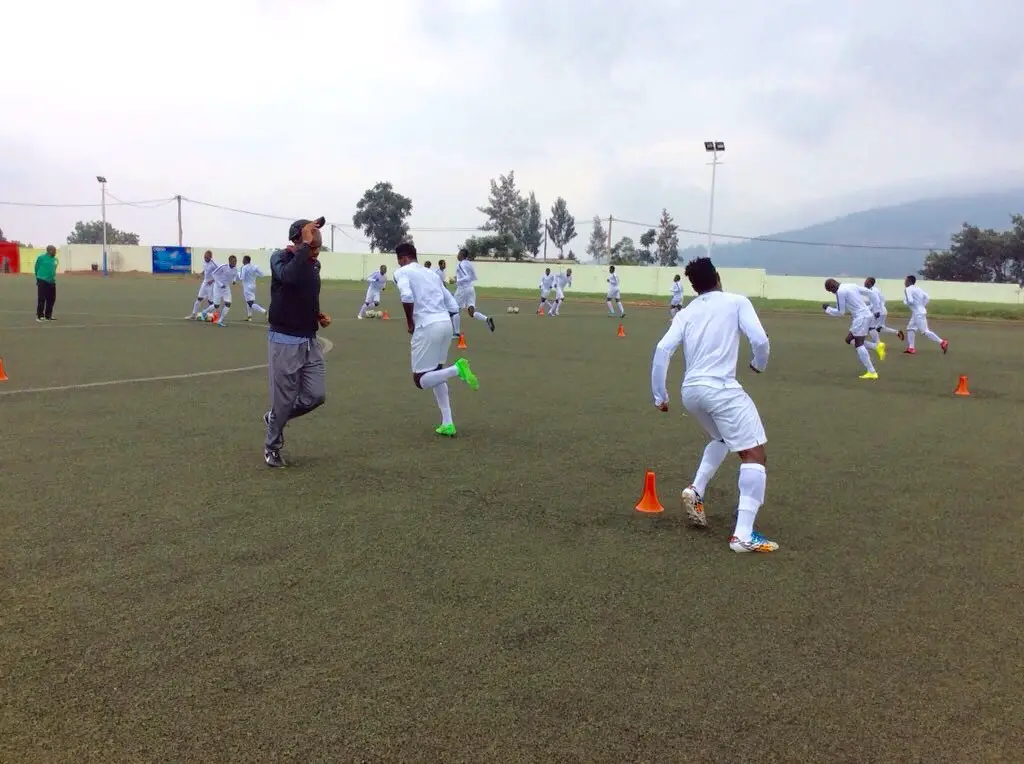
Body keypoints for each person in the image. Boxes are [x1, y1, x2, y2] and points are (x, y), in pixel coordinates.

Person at [650, 257, 777, 553]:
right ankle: (742, 536)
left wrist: (660, 396)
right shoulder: (736, 302)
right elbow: (760, 340)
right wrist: (758, 364)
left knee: (721, 438)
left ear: (694, 286)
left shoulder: (686, 313)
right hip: (721, 388)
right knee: (754, 454)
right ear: (718, 277)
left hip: (691, 392)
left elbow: (662, 349)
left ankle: (696, 489)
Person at [263, 217, 331, 468]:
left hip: (309, 340)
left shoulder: (313, 265)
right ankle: (272, 447)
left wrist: (316, 314)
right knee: (284, 399)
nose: (316, 252)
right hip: (285, 340)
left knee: (316, 395)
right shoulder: (279, 259)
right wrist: (305, 246)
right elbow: (289, 278)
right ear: (298, 240)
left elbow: (304, 293)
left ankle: (275, 417)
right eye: (312, 246)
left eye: (318, 248)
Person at [394, 241, 478, 437]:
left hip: (427, 326)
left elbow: (407, 296)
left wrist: (410, 323)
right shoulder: (432, 274)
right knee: (437, 372)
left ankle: (457, 369)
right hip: (445, 324)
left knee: (420, 380)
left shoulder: (402, 272)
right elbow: (452, 304)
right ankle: (448, 422)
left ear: (402, 259)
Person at [823, 278, 886, 378]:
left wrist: (828, 309)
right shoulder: (851, 285)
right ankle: (876, 346)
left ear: (832, 287)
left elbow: (841, 312)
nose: (832, 293)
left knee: (858, 344)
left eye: (831, 291)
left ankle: (872, 371)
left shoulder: (840, 292)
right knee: (849, 339)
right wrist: (877, 308)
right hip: (866, 315)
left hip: (861, 318)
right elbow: (871, 293)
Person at [453, 248, 494, 336]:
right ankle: (486, 319)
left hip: (462, 289)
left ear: (462, 255)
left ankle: (456, 333)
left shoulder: (460, 264)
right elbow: (473, 276)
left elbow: (467, 277)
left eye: (458, 254)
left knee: (454, 309)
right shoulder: (469, 264)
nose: (457, 255)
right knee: (471, 312)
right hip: (471, 288)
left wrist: (457, 280)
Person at [902, 275, 948, 355]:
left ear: (909, 281)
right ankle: (911, 348)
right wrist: (922, 306)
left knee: (925, 331)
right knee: (910, 328)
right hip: (918, 312)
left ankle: (942, 342)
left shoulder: (907, 289)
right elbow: (927, 298)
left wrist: (905, 302)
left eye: (905, 280)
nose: (904, 282)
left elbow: (910, 301)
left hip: (918, 313)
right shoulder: (918, 289)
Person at [863, 277, 903, 343]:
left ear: (870, 283)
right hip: (883, 311)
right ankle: (896, 332)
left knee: (871, 327)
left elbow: (877, 302)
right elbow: (882, 299)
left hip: (878, 312)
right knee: (879, 328)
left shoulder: (872, 291)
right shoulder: (874, 289)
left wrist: (868, 308)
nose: (864, 283)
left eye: (866, 282)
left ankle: (878, 343)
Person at [208, 255, 239, 326]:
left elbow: (235, 275)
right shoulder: (223, 267)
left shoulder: (235, 269)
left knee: (228, 304)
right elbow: (213, 274)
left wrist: (234, 281)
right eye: (233, 261)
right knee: (216, 305)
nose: (235, 263)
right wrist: (220, 284)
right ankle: (205, 311)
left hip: (226, 288)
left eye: (236, 261)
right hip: (218, 287)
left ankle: (220, 320)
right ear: (229, 261)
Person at [188, 251, 219, 319]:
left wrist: (213, 280)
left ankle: (213, 316)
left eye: (207, 257)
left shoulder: (214, 264)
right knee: (199, 298)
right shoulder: (204, 262)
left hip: (212, 284)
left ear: (210, 257)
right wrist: (200, 274)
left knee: (211, 301)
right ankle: (193, 314)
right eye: (204, 257)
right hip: (205, 283)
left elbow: (220, 273)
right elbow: (205, 270)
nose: (205, 259)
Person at [238, 255, 267, 321]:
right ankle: (249, 317)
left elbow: (241, 278)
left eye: (243, 260)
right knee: (249, 302)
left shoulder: (244, 267)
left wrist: (238, 273)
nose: (242, 261)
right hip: (253, 287)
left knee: (250, 303)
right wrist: (254, 275)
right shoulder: (255, 266)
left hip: (247, 287)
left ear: (246, 260)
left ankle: (264, 311)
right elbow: (262, 274)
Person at [34, 245, 58, 322]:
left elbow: (53, 269)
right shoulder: (41, 258)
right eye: (54, 251)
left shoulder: (55, 259)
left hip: (51, 281)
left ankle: (48, 315)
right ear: (50, 251)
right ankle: (40, 316)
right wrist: (38, 278)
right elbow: (36, 268)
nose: (55, 252)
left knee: (51, 299)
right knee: (42, 298)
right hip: (42, 280)